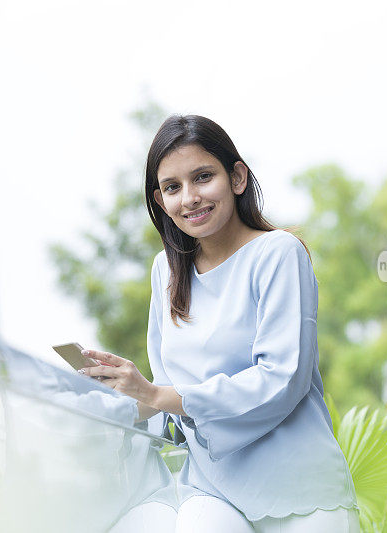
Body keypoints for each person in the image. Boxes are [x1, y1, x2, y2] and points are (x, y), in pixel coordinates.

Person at [79, 114, 360, 533]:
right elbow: (167, 395)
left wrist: (157, 394)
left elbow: (282, 380)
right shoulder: (165, 272)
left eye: (203, 177)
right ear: (160, 201)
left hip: (300, 490)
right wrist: (116, 395)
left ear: (238, 178)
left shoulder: (278, 253)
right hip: (212, 488)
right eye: (173, 187)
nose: (189, 197)